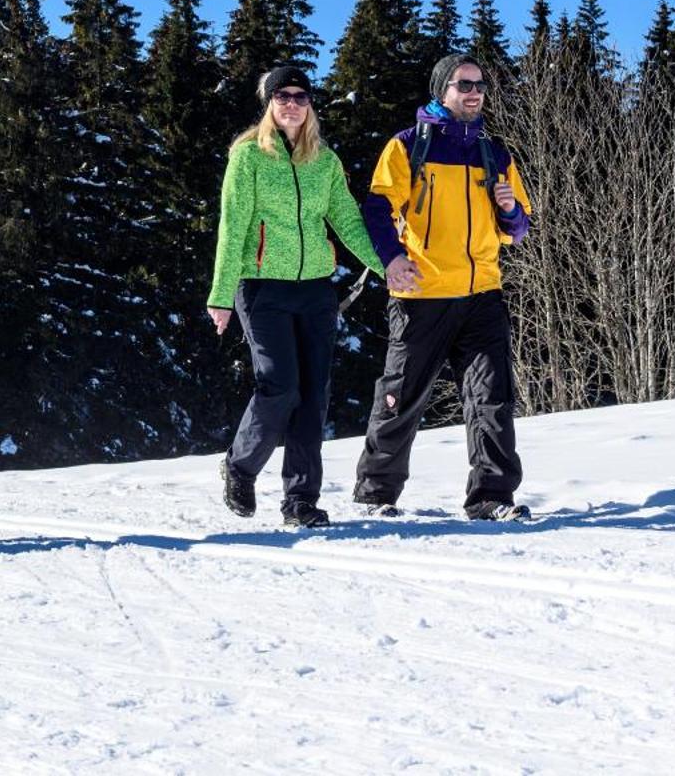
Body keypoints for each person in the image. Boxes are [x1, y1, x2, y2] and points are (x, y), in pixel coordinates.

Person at [206, 65, 413, 527]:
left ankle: (300, 501)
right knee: (279, 386)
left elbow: (348, 222)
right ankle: (239, 467)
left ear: (310, 104)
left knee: (313, 396)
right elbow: (232, 226)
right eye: (283, 96)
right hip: (262, 287)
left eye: (301, 96)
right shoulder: (248, 157)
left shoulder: (325, 161)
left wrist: (389, 267)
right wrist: (221, 296)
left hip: (316, 290)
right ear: (269, 103)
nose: (292, 104)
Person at [354, 53, 535, 520]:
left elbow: (518, 228)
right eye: (463, 84)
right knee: (401, 398)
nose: (473, 92)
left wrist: (511, 209)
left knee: (492, 399)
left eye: (479, 84)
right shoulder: (408, 145)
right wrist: (392, 259)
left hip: (482, 294)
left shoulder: (495, 153)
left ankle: (492, 498)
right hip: (422, 295)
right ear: (442, 90)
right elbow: (377, 209)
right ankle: (376, 496)